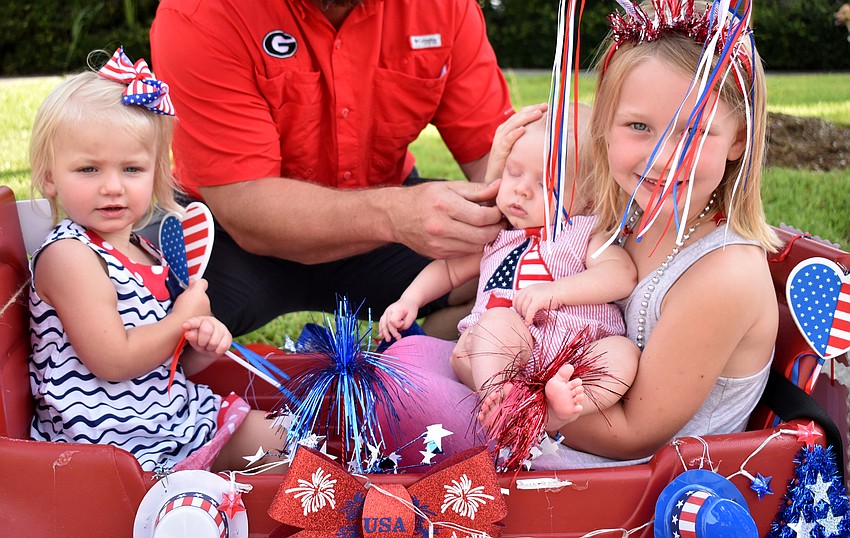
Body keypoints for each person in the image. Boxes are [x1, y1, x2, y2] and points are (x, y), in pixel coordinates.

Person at [382, 0, 780, 470]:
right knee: (402, 365)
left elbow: (633, 435)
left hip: (631, 482)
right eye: (638, 126)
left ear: (739, 139)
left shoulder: (723, 274)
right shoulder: (628, 220)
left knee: (403, 408)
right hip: (554, 409)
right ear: (604, 134)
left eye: (693, 131)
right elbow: (505, 255)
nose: (661, 157)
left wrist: (500, 390)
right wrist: (503, 173)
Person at [149, 0, 515, 338]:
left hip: (388, 229)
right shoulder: (202, 10)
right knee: (139, 316)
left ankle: (423, 375)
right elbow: (242, 201)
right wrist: (394, 213)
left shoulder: (443, 7)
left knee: (524, 274)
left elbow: (495, 156)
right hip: (228, 235)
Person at [27, 49, 285, 473]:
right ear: (51, 176)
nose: (112, 187)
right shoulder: (70, 257)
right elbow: (113, 359)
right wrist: (179, 317)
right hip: (113, 447)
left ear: (155, 175)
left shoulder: (143, 249)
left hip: (172, 420)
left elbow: (168, 359)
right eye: (89, 170)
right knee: (286, 466)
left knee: (292, 441)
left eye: (131, 169)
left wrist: (200, 342)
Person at [380, 109, 639, 436]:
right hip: (502, 352)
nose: (523, 190)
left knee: (622, 354)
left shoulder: (584, 232)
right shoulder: (497, 237)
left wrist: (555, 292)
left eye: (547, 184)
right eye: (514, 173)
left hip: (577, 352)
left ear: (587, 198)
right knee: (495, 323)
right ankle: (500, 399)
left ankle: (565, 409)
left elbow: (620, 275)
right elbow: (448, 271)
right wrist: (410, 300)